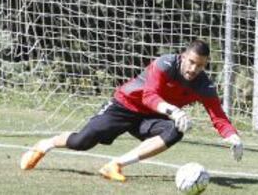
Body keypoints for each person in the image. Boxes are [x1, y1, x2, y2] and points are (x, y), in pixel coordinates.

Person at [20, 39, 243, 182]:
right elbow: (148, 95)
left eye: (201, 65)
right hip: (124, 106)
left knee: (176, 130)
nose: (194, 69)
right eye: (192, 62)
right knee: (82, 142)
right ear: (183, 57)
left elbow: (218, 116)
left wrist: (233, 137)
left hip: (151, 117)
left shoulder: (204, 85)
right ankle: (44, 145)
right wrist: (173, 110)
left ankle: (115, 165)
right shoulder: (165, 64)